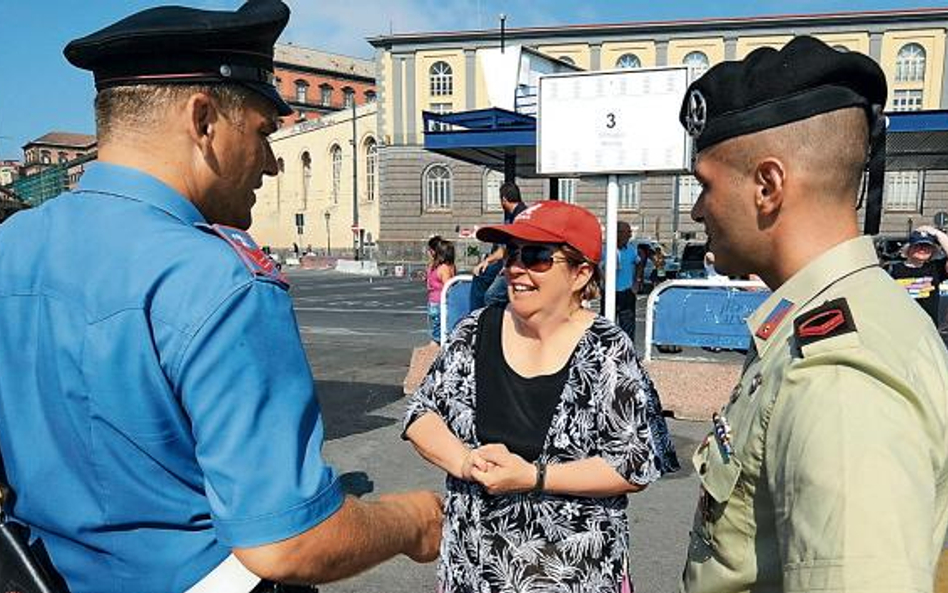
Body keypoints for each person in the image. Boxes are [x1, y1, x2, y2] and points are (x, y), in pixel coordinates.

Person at [0, 2, 442, 592]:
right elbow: (288, 544)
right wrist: (409, 521)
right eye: (261, 133)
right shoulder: (216, 277)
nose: (270, 162)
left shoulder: (13, 242)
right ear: (204, 119)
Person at [677, 36, 948, 593]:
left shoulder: (838, 376)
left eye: (704, 185)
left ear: (768, 186)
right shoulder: (825, 322)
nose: (698, 209)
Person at [403, 201, 679, 593]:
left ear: (581, 273)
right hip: (470, 572)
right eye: (512, 253)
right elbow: (421, 413)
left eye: (536, 256)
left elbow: (634, 465)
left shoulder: (607, 351)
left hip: (573, 576)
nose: (516, 267)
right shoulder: (474, 331)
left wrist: (533, 477)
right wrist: (465, 462)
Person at [469, 181, 527, 308]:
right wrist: (488, 261)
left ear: (504, 199)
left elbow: (518, 246)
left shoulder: (519, 218)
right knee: (483, 275)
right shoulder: (517, 214)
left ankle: (479, 319)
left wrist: (506, 266)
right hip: (510, 261)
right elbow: (505, 248)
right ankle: (479, 316)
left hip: (516, 264)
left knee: (492, 296)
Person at [888, 226, 948, 345]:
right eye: (918, 245)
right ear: (908, 248)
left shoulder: (935, 268)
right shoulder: (892, 269)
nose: (923, 249)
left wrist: (936, 233)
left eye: (927, 246)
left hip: (927, 333)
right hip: (898, 333)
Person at [603, 220, 639, 340]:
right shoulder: (605, 250)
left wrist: (636, 281)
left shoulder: (631, 249)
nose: (629, 235)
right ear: (617, 233)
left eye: (630, 232)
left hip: (627, 292)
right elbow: (595, 266)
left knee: (627, 326)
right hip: (609, 292)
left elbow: (639, 263)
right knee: (606, 326)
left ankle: (628, 352)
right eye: (627, 232)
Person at [426, 235, 456, 344]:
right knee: (439, 329)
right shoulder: (446, 266)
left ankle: (435, 347)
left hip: (438, 302)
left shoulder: (443, 268)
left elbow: (448, 286)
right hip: (437, 302)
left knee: (437, 332)